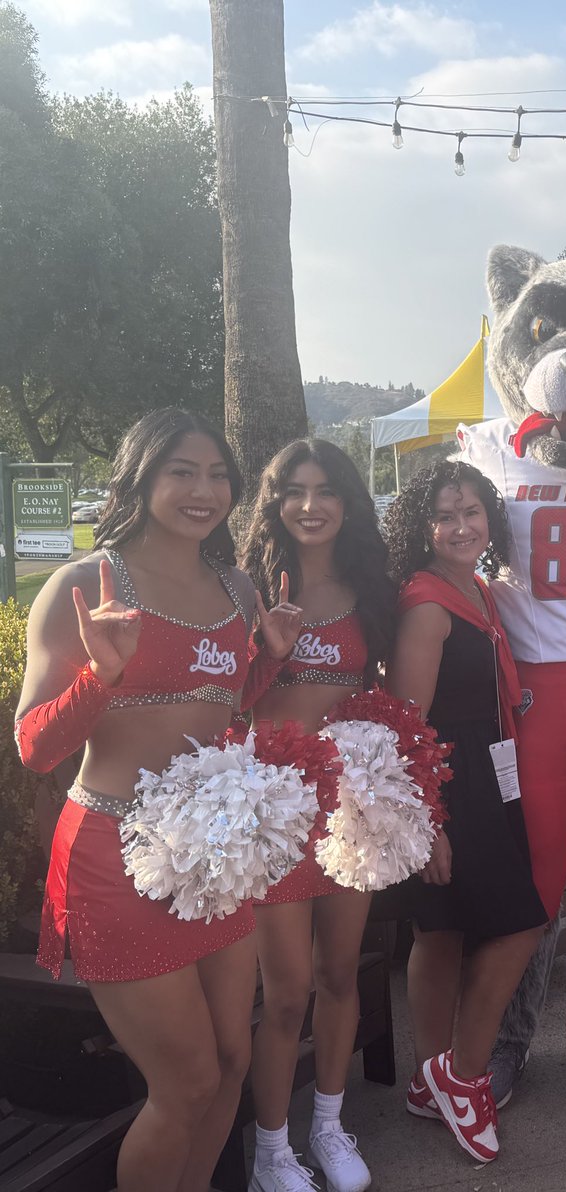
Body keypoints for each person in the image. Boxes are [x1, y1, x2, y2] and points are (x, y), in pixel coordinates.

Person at [16, 409, 296, 1192]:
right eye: (182, 471)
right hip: (115, 859)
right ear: (141, 477)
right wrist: (99, 677)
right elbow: (33, 747)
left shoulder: (237, 587)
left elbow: (224, 708)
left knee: (232, 1060)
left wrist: (267, 663)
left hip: (212, 854)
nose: (203, 490)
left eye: (217, 475)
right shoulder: (85, 586)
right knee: (185, 1085)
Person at [239, 440, 396, 1192]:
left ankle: (329, 1128)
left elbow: (392, 697)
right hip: (271, 810)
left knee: (340, 973)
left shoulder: (374, 591)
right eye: (294, 490)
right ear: (274, 503)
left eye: (325, 489)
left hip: (348, 812)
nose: (309, 504)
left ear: (347, 503)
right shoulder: (247, 589)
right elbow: (224, 701)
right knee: (288, 990)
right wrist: (270, 652)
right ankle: (272, 1150)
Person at [385, 460, 547, 1165]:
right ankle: (463, 1073)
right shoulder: (426, 602)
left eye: (472, 512)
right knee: (521, 924)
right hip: (451, 785)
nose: (460, 526)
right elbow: (409, 723)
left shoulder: (476, 589)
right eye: (445, 515)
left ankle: (428, 1082)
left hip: (488, 774)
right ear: (422, 527)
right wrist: (433, 822)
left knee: (443, 930)